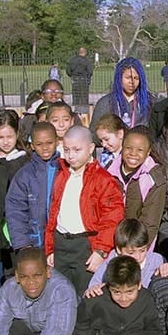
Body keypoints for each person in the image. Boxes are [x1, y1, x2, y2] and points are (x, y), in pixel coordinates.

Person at [44, 126, 125, 296]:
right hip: (61, 244)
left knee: (85, 295)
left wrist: (100, 251)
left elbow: (112, 218)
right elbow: (53, 214)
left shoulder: (103, 180)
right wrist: (50, 248)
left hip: (86, 246)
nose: (70, 155)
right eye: (66, 150)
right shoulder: (61, 175)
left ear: (90, 148)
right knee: (59, 295)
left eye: (77, 150)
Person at [71, 255, 165, 335]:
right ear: (109, 286)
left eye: (129, 292)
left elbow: (154, 330)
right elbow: (80, 326)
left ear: (138, 285)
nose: (123, 298)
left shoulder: (146, 299)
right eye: (116, 292)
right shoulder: (96, 298)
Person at [6, 122, 61, 252]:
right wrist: (23, 244)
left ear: (57, 141)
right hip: (34, 243)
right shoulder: (24, 175)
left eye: (49, 143)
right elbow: (15, 210)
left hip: (62, 246)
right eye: (39, 144)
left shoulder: (65, 170)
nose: (45, 148)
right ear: (32, 146)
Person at [107, 125, 166, 244]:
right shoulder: (109, 171)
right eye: (129, 148)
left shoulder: (153, 178)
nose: (133, 154)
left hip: (138, 246)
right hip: (110, 242)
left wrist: (136, 249)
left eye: (140, 150)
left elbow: (150, 223)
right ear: (122, 147)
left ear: (148, 152)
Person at [0, 109, 29, 275]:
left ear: (17, 134)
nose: (5, 142)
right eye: (0, 137)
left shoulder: (25, 159)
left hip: (19, 220)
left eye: (9, 137)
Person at [86, 218, 164, 292]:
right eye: (131, 253)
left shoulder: (156, 261)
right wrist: (94, 289)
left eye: (142, 251)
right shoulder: (108, 265)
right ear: (119, 249)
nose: (138, 257)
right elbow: (93, 285)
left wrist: (167, 267)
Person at [90, 57, 153, 132]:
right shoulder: (105, 103)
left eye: (136, 78)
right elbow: (94, 134)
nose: (132, 82)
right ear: (119, 78)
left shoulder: (150, 102)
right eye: (128, 77)